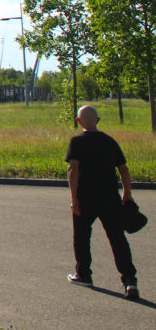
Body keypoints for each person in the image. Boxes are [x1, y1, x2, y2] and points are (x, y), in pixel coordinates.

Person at [65, 105, 138, 300]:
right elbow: (123, 170)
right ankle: (129, 281)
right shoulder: (109, 141)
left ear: (79, 122)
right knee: (117, 239)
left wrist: (74, 198)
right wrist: (127, 193)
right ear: (98, 120)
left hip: (85, 198)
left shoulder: (77, 142)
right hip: (109, 198)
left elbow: (73, 170)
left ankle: (84, 274)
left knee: (81, 237)